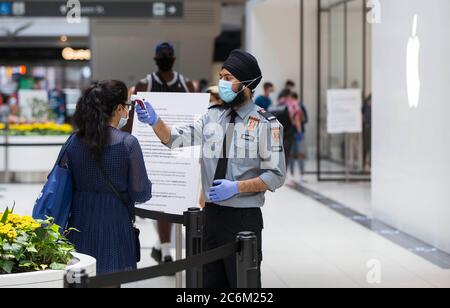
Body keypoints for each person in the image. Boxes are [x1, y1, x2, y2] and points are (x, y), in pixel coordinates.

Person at [135, 50, 286, 288]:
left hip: (243, 219)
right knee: (207, 283)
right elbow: (175, 138)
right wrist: (155, 122)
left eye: (228, 78)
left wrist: (237, 187)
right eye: (221, 76)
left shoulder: (267, 125)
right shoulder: (212, 117)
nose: (222, 83)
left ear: (246, 84)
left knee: (242, 284)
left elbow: (276, 176)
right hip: (210, 217)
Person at [66, 80, 152, 275]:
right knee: (110, 280)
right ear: (119, 108)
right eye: (128, 105)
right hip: (114, 222)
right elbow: (140, 193)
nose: (128, 111)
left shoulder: (74, 140)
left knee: (80, 279)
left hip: (79, 220)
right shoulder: (127, 143)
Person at [123, 42, 194, 265]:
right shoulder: (145, 84)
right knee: (158, 199)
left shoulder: (186, 84)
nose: (164, 58)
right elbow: (132, 119)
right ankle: (164, 249)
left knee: (173, 200)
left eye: (166, 55)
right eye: (162, 55)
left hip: (179, 149)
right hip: (150, 150)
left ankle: (163, 248)